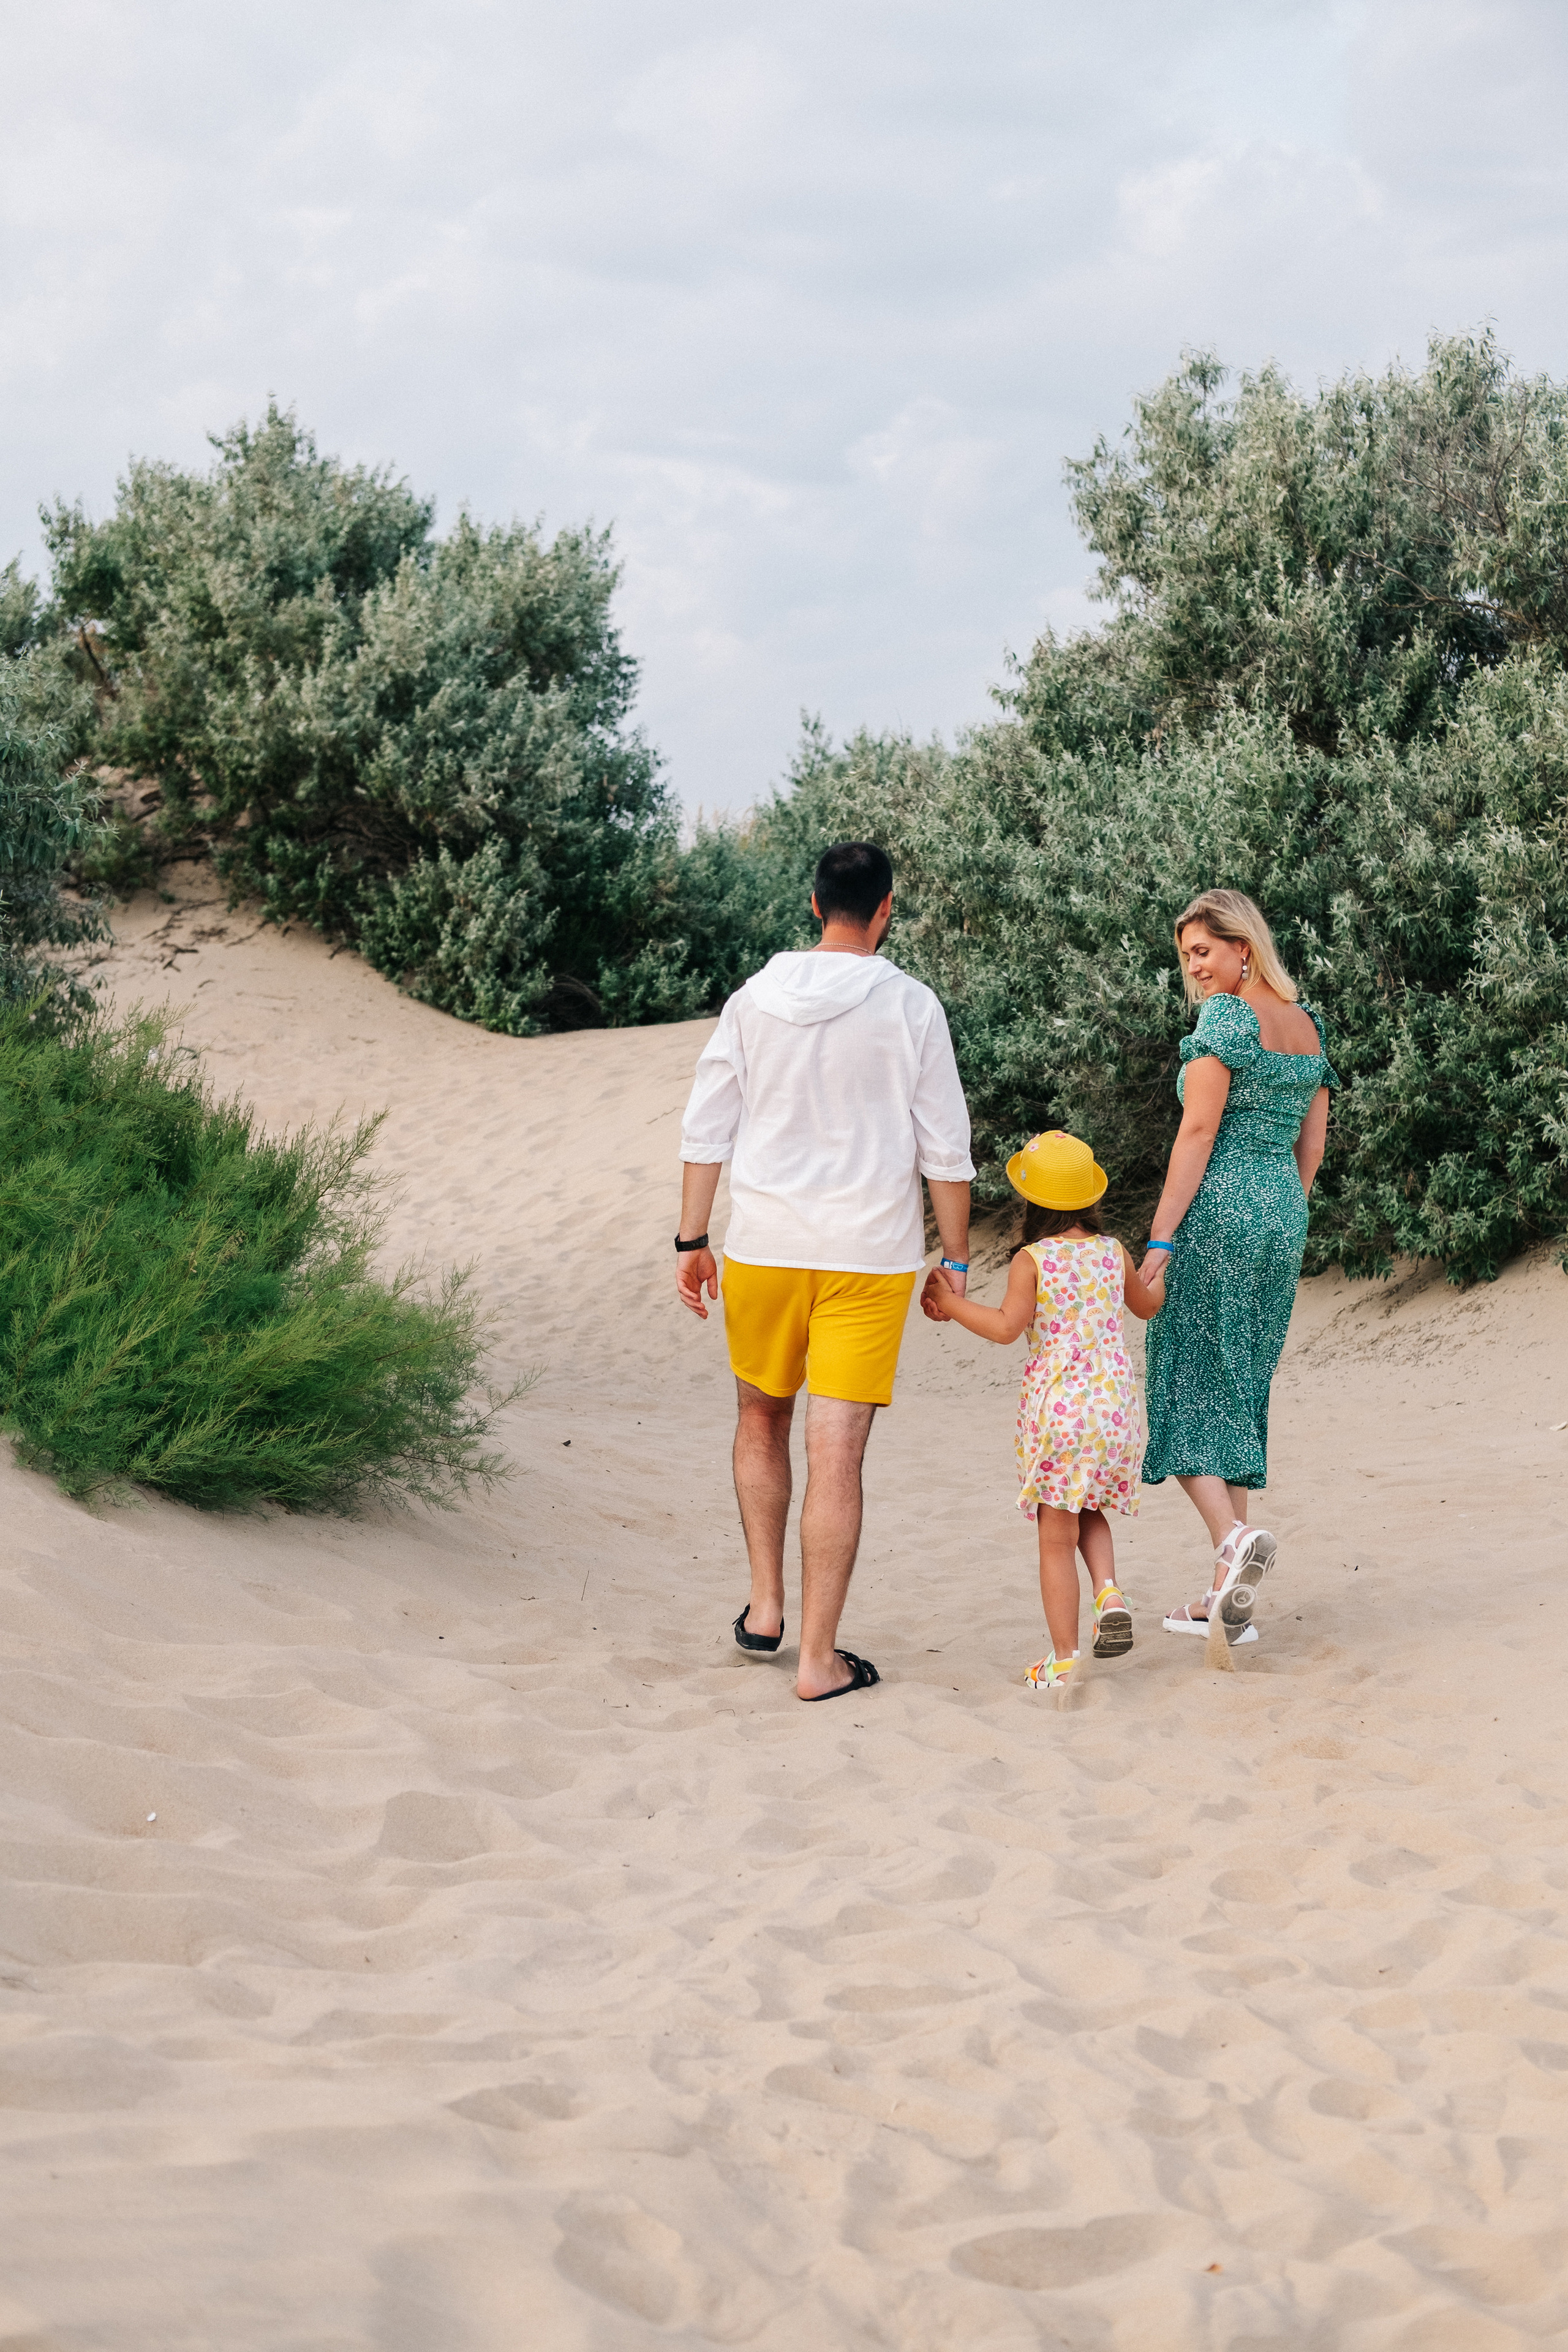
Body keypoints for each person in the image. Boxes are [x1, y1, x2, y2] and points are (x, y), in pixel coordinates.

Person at [676, 842, 974, 1702]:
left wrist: (690, 1240)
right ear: (885, 909)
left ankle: (765, 1605)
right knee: (836, 1456)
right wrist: (953, 1260)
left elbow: (707, 1127)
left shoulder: (751, 999)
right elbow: (944, 1151)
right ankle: (818, 1659)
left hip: (764, 1247)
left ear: (814, 905)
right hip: (866, 1259)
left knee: (760, 1419)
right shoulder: (912, 1006)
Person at [1138, 889, 1338, 1646]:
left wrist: (1160, 1238)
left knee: (1185, 1377)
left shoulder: (1228, 1018)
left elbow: (1196, 1131)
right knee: (1240, 1381)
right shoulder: (1307, 1024)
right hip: (1282, 1213)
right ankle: (1228, 1595)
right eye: (1186, 955)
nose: (1194, 968)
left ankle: (1230, 1541)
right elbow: (1311, 1146)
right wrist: (1279, 1206)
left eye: (1204, 952)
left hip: (1217, 1209)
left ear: (1243, 947)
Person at [922, 1129, 1166, 1701]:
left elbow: (1008, 1328)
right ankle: (1108, 1592)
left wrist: (952, 1303)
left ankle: (1064, 1660)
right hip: (1115, 1413)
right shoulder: (1113, 1252)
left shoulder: (1032, 1260)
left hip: (1061, 1414)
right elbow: (1149, 1306)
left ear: (1032, 1201)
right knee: (1091, 1508)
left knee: (1055, 1536)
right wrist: (1156, 1270)